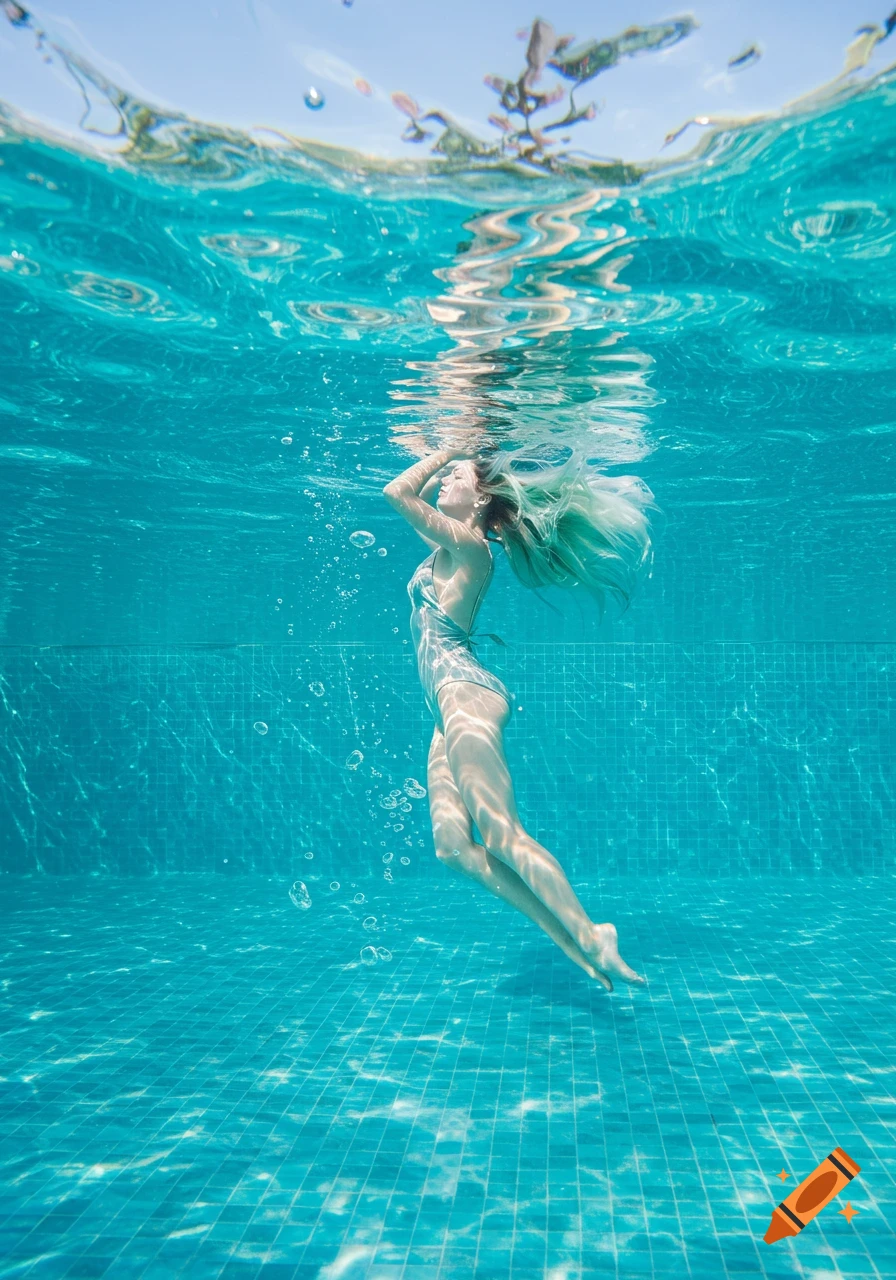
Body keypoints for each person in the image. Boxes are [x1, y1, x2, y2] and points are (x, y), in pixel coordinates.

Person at [384, 446, 656, 991]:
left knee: (502, 834)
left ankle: (592, 930)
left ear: (481, 497)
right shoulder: (448, 541)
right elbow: (415, 507)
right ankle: (567, 937)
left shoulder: (471, 548)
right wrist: (454, 462)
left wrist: (449, 449)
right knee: (454, 849)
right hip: (446, 707)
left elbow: (396, 493)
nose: (442, 482)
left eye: (453, 477)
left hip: (466, 695)